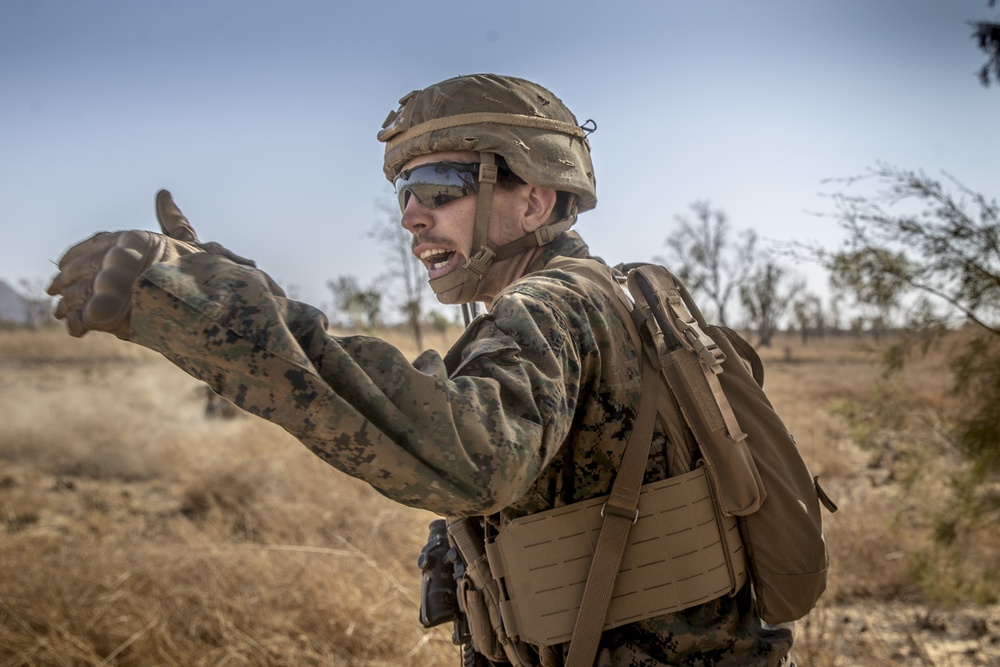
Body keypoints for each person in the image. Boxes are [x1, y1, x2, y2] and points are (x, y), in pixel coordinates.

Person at [47, 74, 795, 666]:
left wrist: (214, 309)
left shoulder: (553, 306)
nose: (411, 214)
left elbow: (467, 457)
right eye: (404, 191)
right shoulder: (604, 294)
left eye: (442, 186)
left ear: (533, 199)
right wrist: (247, 295)